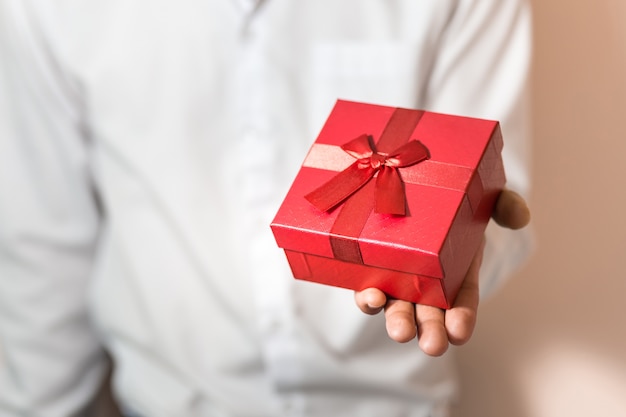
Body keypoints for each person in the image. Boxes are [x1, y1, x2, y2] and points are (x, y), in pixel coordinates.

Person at [0, 1, 532, 416]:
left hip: (394, 403)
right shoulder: (51, 7)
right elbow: (43, 251)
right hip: (163, 401)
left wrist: (462, 243)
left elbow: (494, 181)